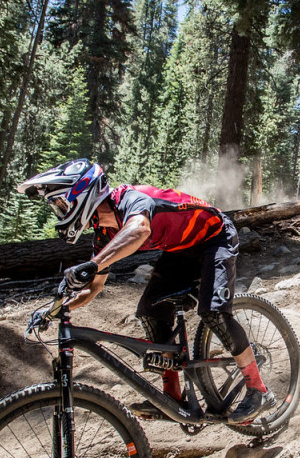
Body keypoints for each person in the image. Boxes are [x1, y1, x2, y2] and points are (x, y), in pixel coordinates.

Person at [17, 158, 274, 424]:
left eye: (61, 204)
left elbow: (139, 229)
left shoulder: (131, 199)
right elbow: (94, 289)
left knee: (213, 313)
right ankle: (172, 397)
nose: (59, 211)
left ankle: (258, 389)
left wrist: (94, 264)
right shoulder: (104, 233)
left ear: (82, 192)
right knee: (150, 311)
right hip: (181, 251)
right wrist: (54, 310)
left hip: (216, 236)